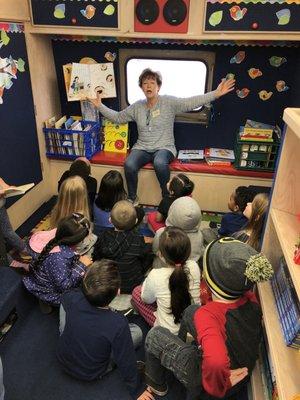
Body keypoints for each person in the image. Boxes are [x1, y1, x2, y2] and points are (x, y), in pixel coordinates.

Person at [139, 237, 273, 399]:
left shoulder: (207, 316)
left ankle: (157, 385)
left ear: (207, 279)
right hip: (241, 368)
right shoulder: (251, 298)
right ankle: (182, 347)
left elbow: (216, 362)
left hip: (213, 383)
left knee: (154, 335)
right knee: (190, 312)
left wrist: (219, 385)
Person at [89, 68, 235, 203]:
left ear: (158, 86)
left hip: (165, 147)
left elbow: (190, 102)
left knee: (159, 162)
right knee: (129, 164)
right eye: (145, 83)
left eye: (152, 83)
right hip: (142, 147)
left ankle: (167, 197)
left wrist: (215, 94)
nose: (148, 86)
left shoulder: (168, 102)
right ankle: (132, 198)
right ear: (141, 88)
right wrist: (99, 105)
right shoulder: (137, 106)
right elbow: (118, 117)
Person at [57, 259, 144, 398]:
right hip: (93, 372)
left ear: (85, 280)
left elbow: (68, 297)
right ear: (118, 293)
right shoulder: (118, 323)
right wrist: (136, 390)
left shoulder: (71, 296)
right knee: (137, 332)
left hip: (63, 359)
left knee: (66, 305)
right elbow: (126, 360)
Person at [131, 226, 200, 334]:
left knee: (137, 292)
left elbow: (146, 299)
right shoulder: (194, 266)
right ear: (188, 252)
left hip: (167, 332)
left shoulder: (155, 275)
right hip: (194, 327)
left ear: (161, 255)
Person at [23, 213, 92, 307]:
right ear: (75, 241)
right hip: (50, 293)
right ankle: (46, 303)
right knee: (83, 296)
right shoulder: (59, 258)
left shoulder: (57, 235)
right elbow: (65, 286)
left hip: (42, 278)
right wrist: (81, 265)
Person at [93, 200, 153, 294]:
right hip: (131, 285)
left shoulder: (103, 237)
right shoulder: (137, 239)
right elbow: (144, 258)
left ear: (110, 220)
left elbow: (96, 256)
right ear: (136, 221)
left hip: (108, 284)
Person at [152, 196, 204, 268]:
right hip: (190, 269)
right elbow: (200, 253)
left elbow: (154, 250)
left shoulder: (162, 233)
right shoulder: (199, 235)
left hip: (164, 267)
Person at [51, 176, 96, 255]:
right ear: (83, 196)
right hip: (75, 254)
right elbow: (82, 247)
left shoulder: (56, 211)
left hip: (58, 251)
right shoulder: (82, 220)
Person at [0, 177, 28, 264]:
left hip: (1, 208)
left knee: (8, 232)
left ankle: (26, 251)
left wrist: (8, 188)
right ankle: (13, 264)